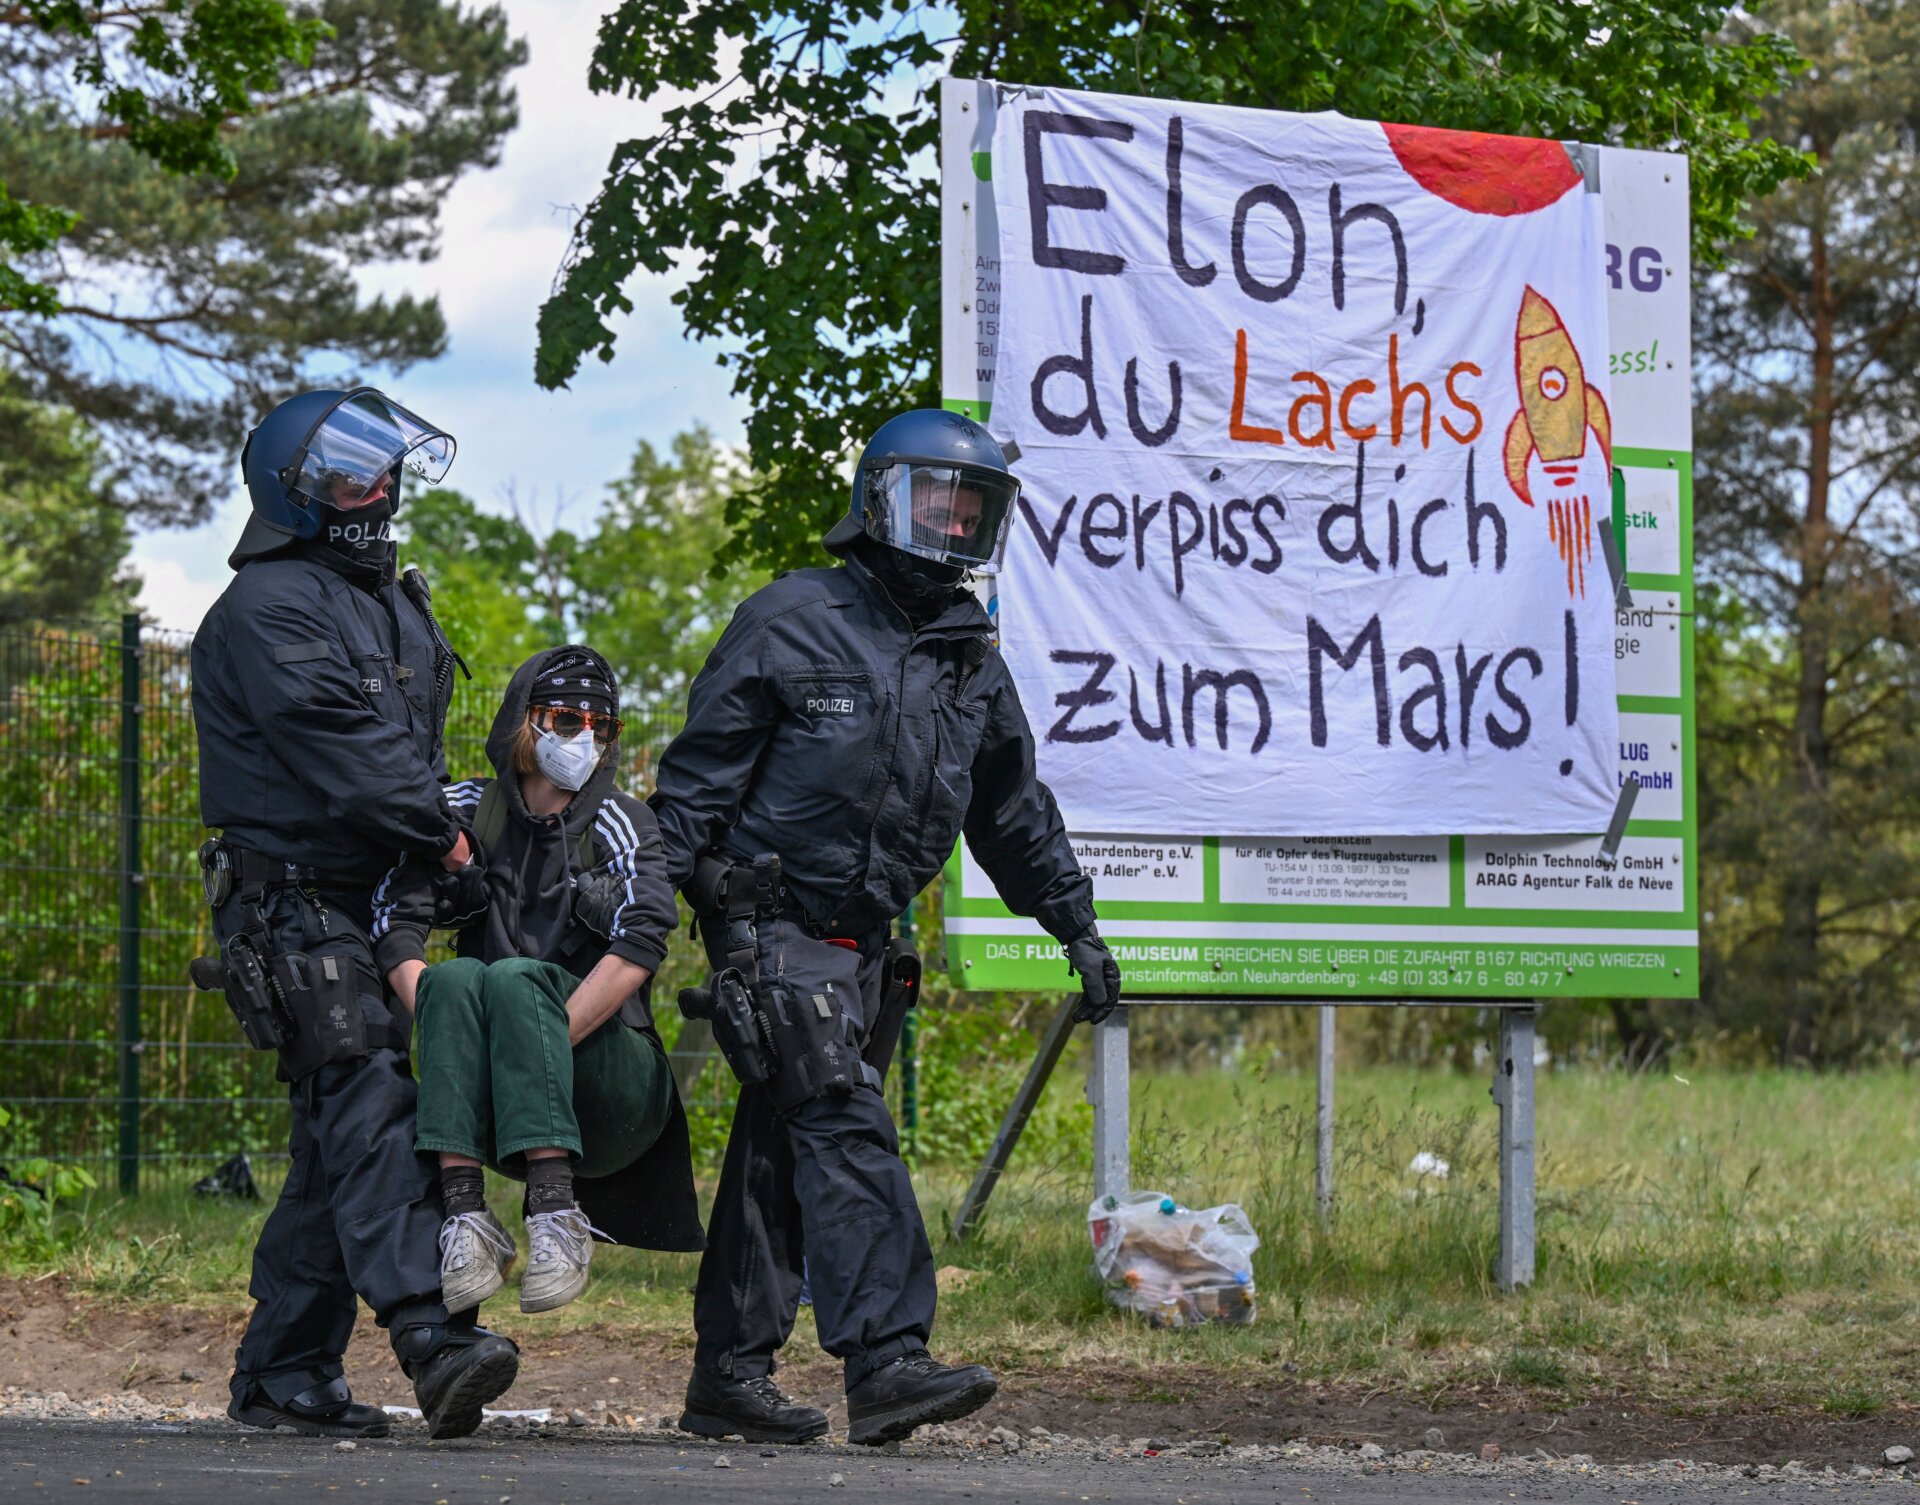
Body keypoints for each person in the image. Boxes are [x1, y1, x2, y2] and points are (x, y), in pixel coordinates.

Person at [651, 408, 1124, 1447]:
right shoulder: (789, 619)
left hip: (867, 941)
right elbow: (684, 798)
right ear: (880, 499)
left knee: (786, 1145)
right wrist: (651, 924)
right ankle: (887, 1358)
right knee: (843, 1115)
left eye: (976, 508)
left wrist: (1073, 922)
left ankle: (728, 1374)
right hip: (769, 922)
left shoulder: (970, 662)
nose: (955, 524)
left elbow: (1009, 808)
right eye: (937, 500)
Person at [191, 387, 519, 1440]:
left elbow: (416, 763)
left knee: (338, 1145)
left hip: (378, 902)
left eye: (383, 469)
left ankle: (286, 1373)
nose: (374, 489)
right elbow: (355, 755)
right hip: (292, 909)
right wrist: (446, 831)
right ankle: (436, 1337)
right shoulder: (269, 604)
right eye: (348, 474)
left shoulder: (396, 600)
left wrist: (454, 857)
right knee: (374, 1100)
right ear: (298, 487)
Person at [372, 645, 704, 1315]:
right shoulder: (463, 809)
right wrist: (451, 1033)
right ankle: (466, 1218)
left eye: (600, 726)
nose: (583, 737)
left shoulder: (625, 819)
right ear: (526, 722)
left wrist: (533, 1043)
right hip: (498, 1093)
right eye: (564, 719)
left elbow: (643, 941)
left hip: (611, 1081)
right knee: (459, 977)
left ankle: (557, 1212)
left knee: (517, 979)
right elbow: (394, 920)